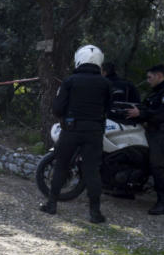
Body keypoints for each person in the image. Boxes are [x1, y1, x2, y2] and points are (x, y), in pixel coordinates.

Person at [40, 44, 112, 223]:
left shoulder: (70, 81)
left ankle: (51, 204)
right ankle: (95, 212)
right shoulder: (105, 83)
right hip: (94, 131)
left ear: (79, 59)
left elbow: (57, 109)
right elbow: (109, 109)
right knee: (92, 171)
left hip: (71, 130)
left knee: (61, 166)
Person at [125, 64, 164, 215]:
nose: (148, 80)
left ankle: (163, 202)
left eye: (150, 77)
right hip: (151, 132)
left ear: (159, 76)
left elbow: (163, 115)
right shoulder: (155, 93)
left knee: (156, 164)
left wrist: (141, 114)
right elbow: (144, 108)